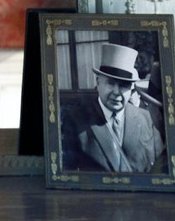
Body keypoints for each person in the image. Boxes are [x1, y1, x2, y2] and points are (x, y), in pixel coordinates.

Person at [59, 42, 164, 173]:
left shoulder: (146, 118)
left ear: (132, 88)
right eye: (111, 83)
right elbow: (67, 171)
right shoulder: (77, 120)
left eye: (123, 85)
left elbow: (160, 166)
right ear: (98, 82)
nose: (116, 91)